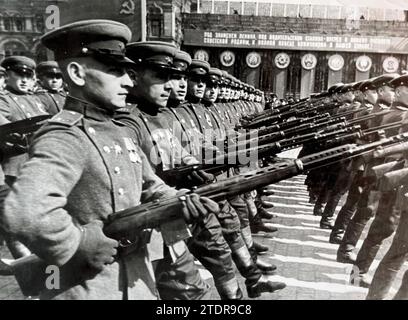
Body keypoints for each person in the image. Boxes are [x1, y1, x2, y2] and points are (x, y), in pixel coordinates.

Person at [1, 19, 217, 300]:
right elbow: (27, 211)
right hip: (88, 287)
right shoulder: (66, 135)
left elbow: (148, 185)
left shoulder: (118, 130)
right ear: (77, 73)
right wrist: (76, 243)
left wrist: (180, 199)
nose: (129, 80)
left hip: (137, 280)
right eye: (115, 70)